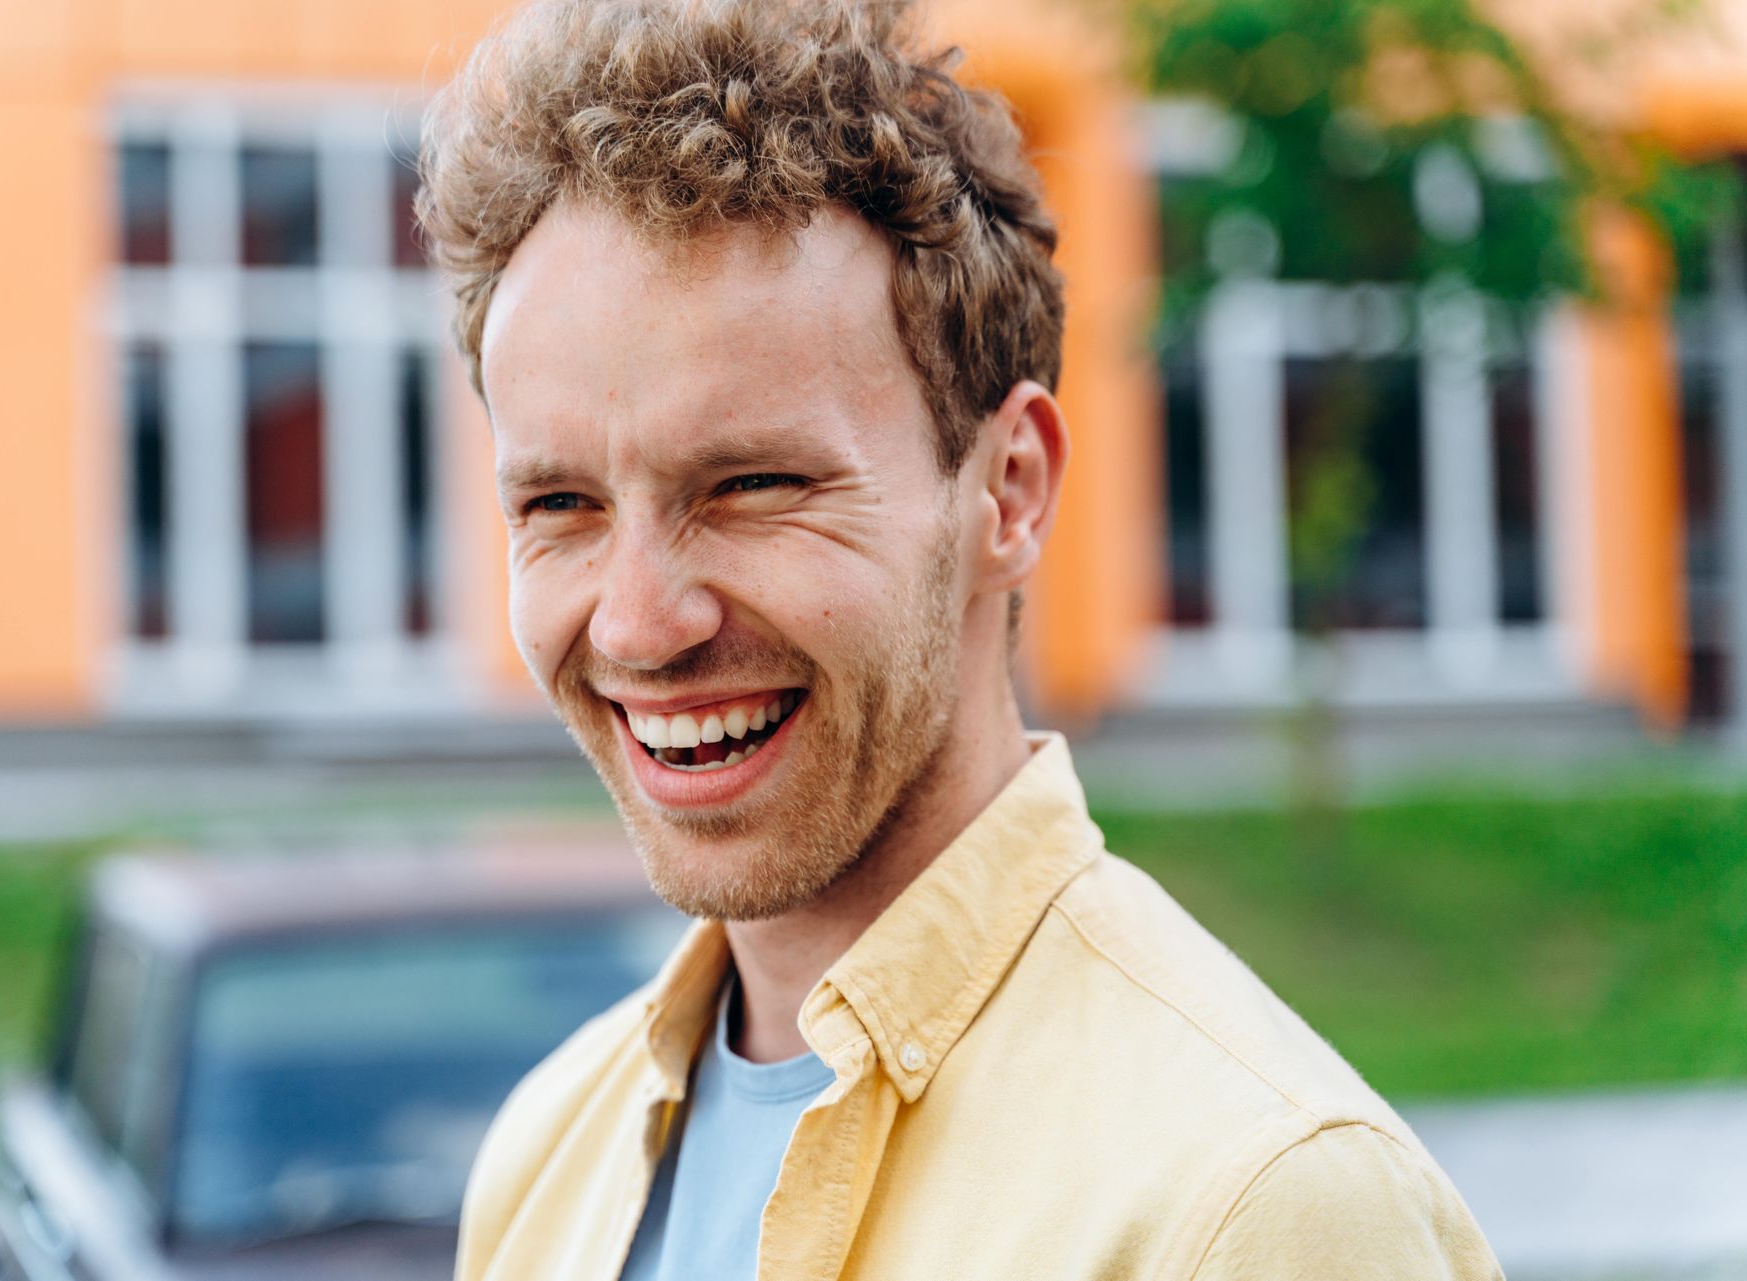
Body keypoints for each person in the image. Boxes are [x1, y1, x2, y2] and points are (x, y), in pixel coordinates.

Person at [417, 0, 1503, 1277]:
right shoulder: (548, 1155)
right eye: (560, 506)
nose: (642, 623)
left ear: (1009, 490)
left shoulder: (1257, 1209)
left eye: (754, 483)